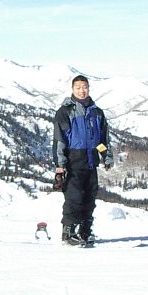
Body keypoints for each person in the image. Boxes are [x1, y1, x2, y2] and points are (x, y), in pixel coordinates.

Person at [52, 74, 113, 245]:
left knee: (89, 198)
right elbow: (59, 140)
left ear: (89, 88)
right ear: (72, 89)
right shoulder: (65, 112)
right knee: (74, 198)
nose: (82, 91)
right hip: (73, 162)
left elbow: (101, 140)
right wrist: (60, 165)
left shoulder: (97, 113)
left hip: (91, 162)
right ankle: (68, 233)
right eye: (78, 88)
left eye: (84, 87)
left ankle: (85, 231)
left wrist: (106, 157)